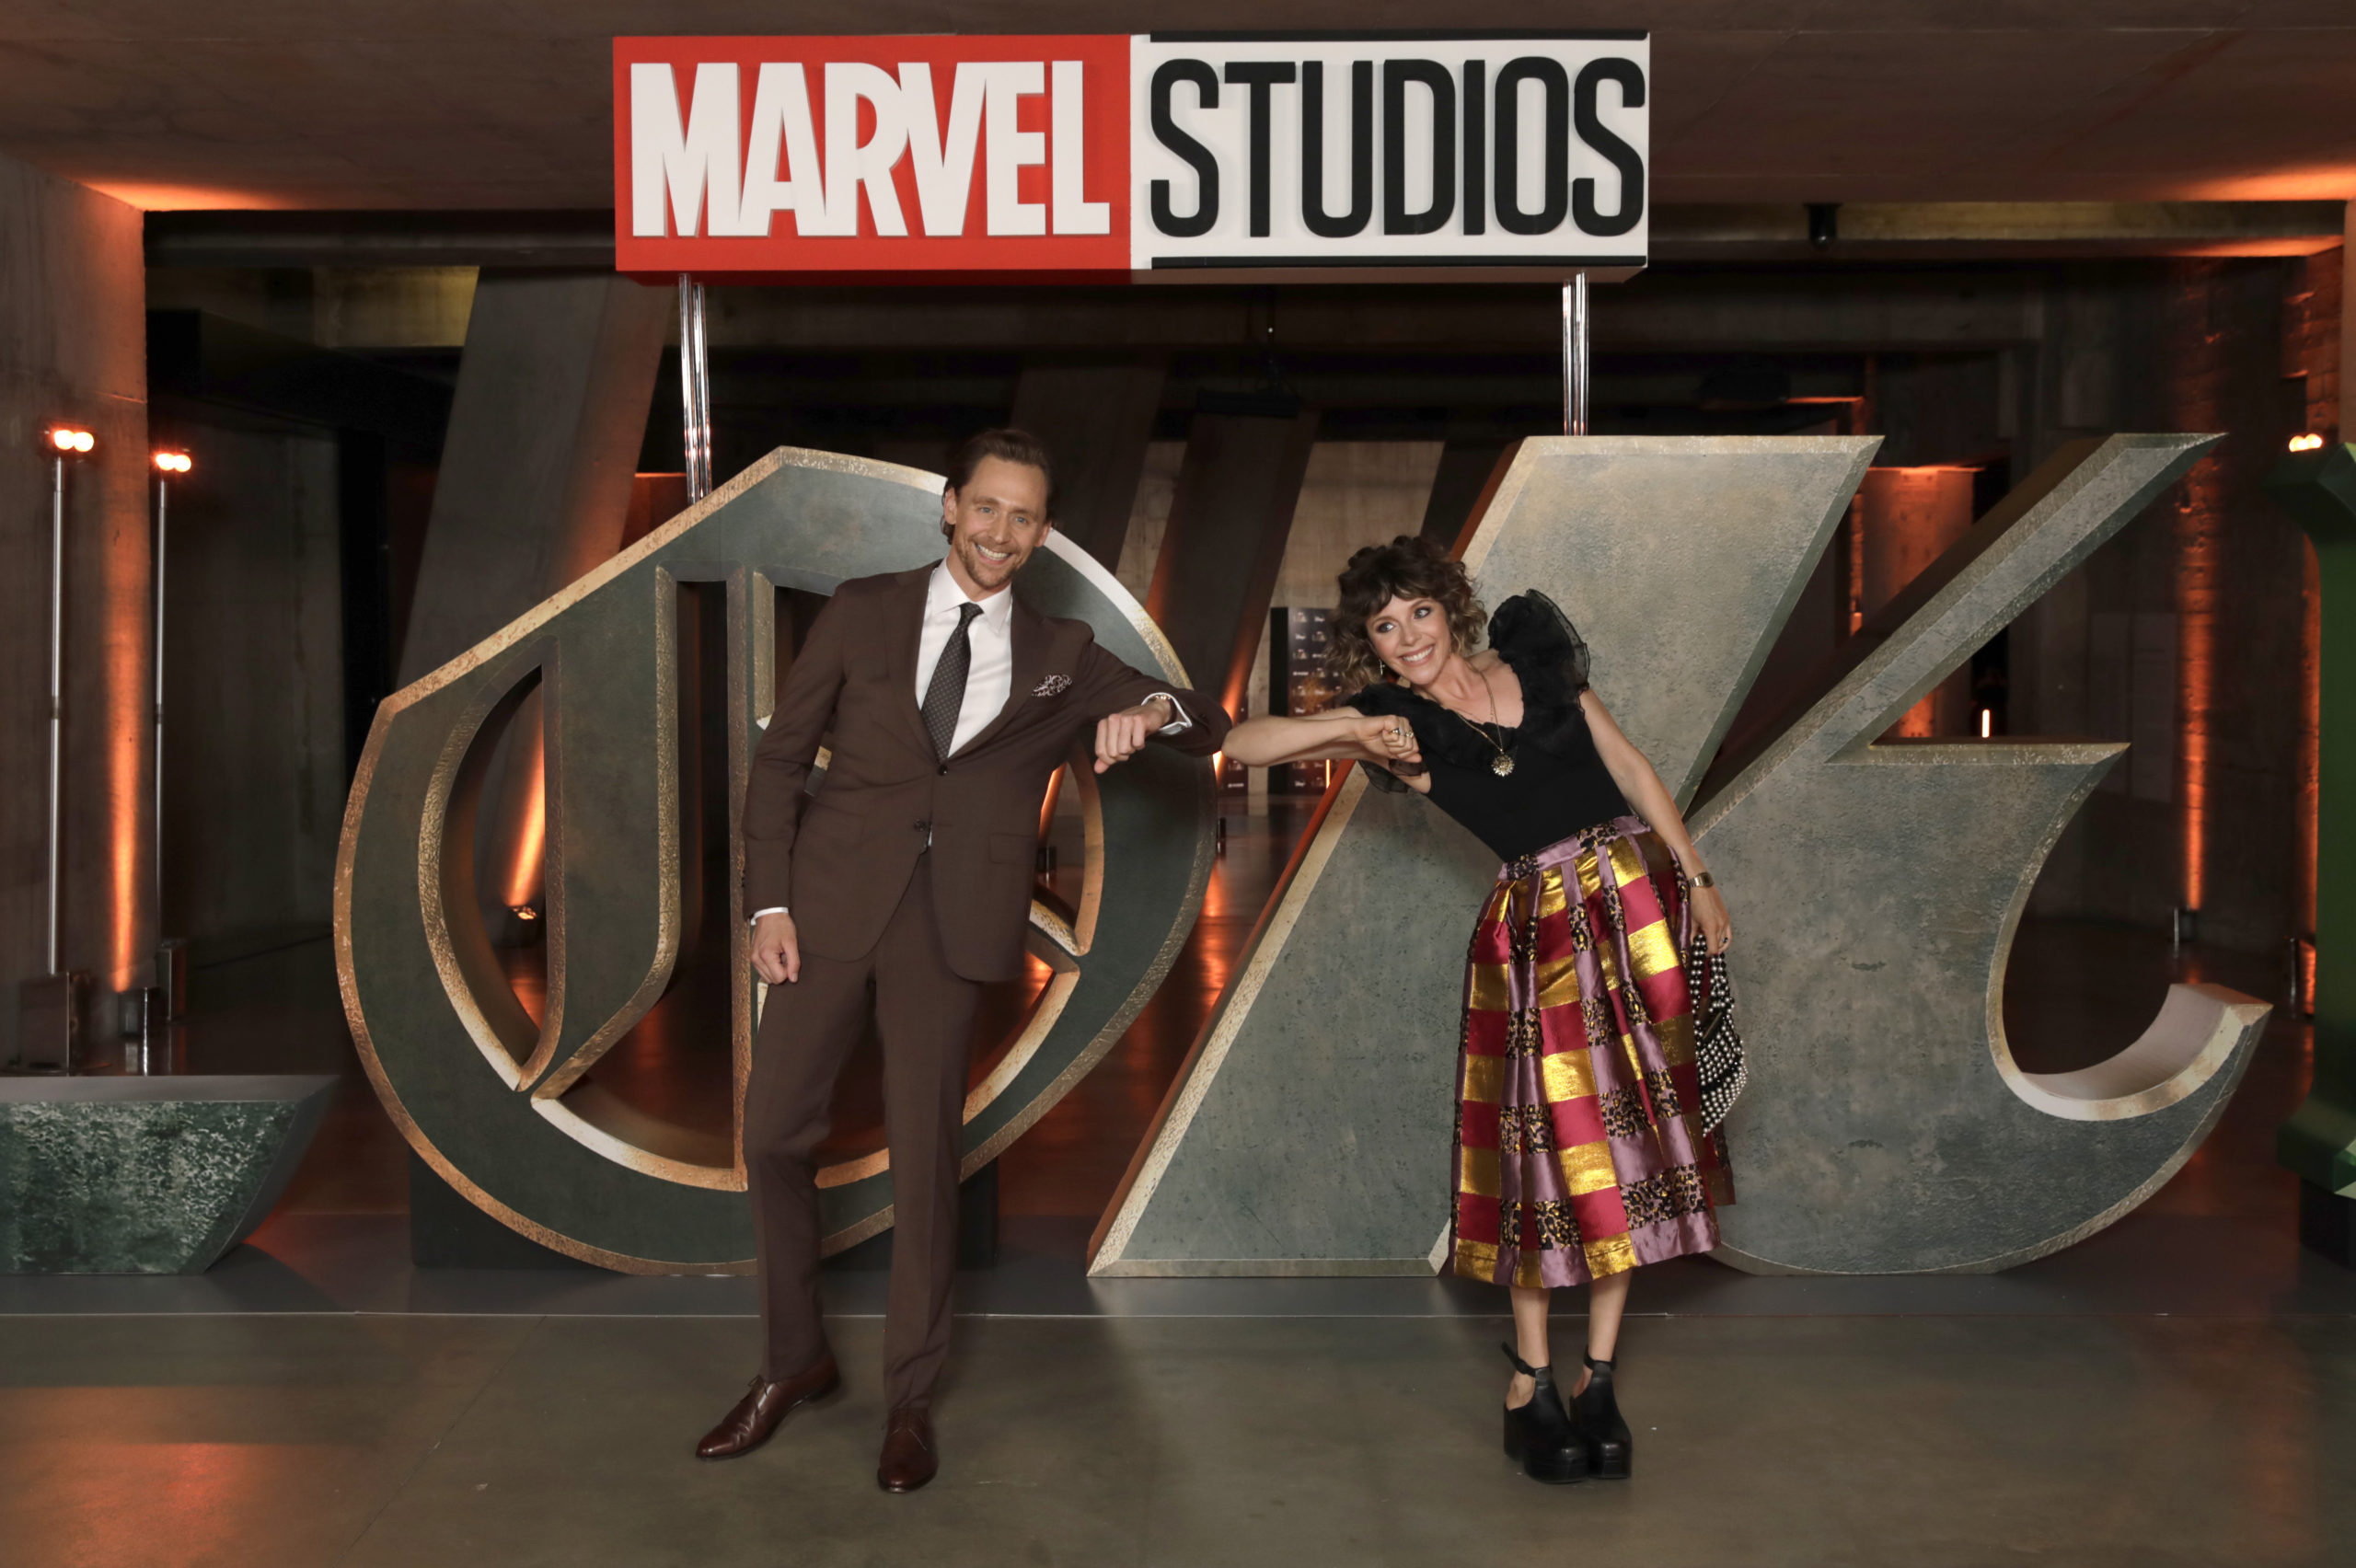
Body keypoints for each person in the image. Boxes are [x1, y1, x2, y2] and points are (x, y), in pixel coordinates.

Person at [699, 429, 1230, 1492]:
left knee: (925, 1160)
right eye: (986, 507)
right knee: (771, 1135)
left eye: (1022, 517)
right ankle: (793, 1361)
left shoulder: (1062, 649)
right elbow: (780, 759)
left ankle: (909, 1399)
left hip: (951, 927)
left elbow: (1201, 719)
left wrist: (1145, 710)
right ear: (950, 505)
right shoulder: (863, 609)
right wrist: (767, 903)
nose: (1000, 531)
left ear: (1042, 533)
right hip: (827, 907)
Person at [1219, 535, 1733, 1485]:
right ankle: (1529, 1383)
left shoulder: (1534, 657)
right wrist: (1354, 732)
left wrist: (1695, 877)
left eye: (1418, 611)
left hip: (1632, 908)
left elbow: (1628, 768)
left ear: (1449, 607)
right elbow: (1244, 743)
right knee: (1545, 1155)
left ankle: (1598, 1380)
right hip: (1534, 936)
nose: (1408, 635)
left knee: (1628, 1146)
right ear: (1370, 646)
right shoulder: (1396, 721)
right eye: (1384, 626)